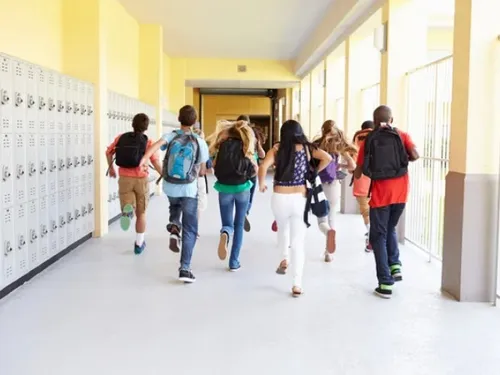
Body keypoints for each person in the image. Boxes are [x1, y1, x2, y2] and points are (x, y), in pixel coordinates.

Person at [258, 120, 331, 297]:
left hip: (279, 197)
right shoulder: (307, 148)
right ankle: (297, 284)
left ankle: (284, 258)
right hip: (300, 198)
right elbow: (327, 158)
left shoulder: (276, 149)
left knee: (282, 229)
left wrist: (261, 184)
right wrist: (314, 172)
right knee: (298, 241)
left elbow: (263, 166)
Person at [353, 105, 419, 299]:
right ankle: (395, 266)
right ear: (391, 119)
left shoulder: (369, 139)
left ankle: (385, 282)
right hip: (401, 192)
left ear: (374, 121)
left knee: (377, 236)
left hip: (381, 195)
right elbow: (415, 155)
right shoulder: (402, 135)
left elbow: (360, 170)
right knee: (390, 227)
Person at [139, 105, 209, 283]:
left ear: (179, 119)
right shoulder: (199, 141)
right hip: (189, 188)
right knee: (191, 229)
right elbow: (202, 169)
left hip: (170, 186)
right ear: (194, 122)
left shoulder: (171, 136)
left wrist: (144, 160)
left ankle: (174, 226)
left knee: (174, 205)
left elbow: (155, 147)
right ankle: (185, 268)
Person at [106, 113, 162, 255]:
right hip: (141, 179)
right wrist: (163, 173)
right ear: (146, 127)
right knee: (141, 213)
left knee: (128, 203)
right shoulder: (148, 141)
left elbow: (109, 152)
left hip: (124, 178)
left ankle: (127, 210)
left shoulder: (121, 138)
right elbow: (154, 161)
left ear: (132, 124)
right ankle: (139, 244)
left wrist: (111, 168)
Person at [209, 120, 257, 271]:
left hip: (224, 189)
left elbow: (214, 167)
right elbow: (255, 169)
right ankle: (234, 262)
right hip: (242, 188)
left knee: (228, 224)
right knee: (239, 225)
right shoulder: (246, 146)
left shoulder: (222, 146)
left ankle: (225, 233)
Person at [314, 120, 357, 262]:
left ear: (322, 130)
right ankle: (328, 253)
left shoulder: (316, 144)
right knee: (332, 217)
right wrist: (338, 164)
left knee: (322, 219)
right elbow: (352, 166)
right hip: (332, 185)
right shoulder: (339, 147)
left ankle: (327, 233)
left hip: (318, 184)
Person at [236, 115, 266, 232]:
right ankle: (244, 212)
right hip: (252, 170)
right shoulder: (253, 135)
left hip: (239, 170)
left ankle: (242, 214)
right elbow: (262, 155)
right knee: (248, 195)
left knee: (240, 194)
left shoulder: (234, 135)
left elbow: (262, 154)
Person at [352, 120, 374, 252]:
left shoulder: (357, 138)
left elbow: (353, 162)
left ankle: (371, 234)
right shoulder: (379, 136)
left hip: (361, 178)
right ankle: (375, 234)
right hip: (377, 178)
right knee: (377, 209)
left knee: (365, 210)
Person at [193, 123, 213, 238]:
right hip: (199, 180)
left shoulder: (188, 146)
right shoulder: (203, 148)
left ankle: (185, 228)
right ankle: (195, 229)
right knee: (199, 206)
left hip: (187, 181)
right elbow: (205, 170)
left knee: (188, 204)